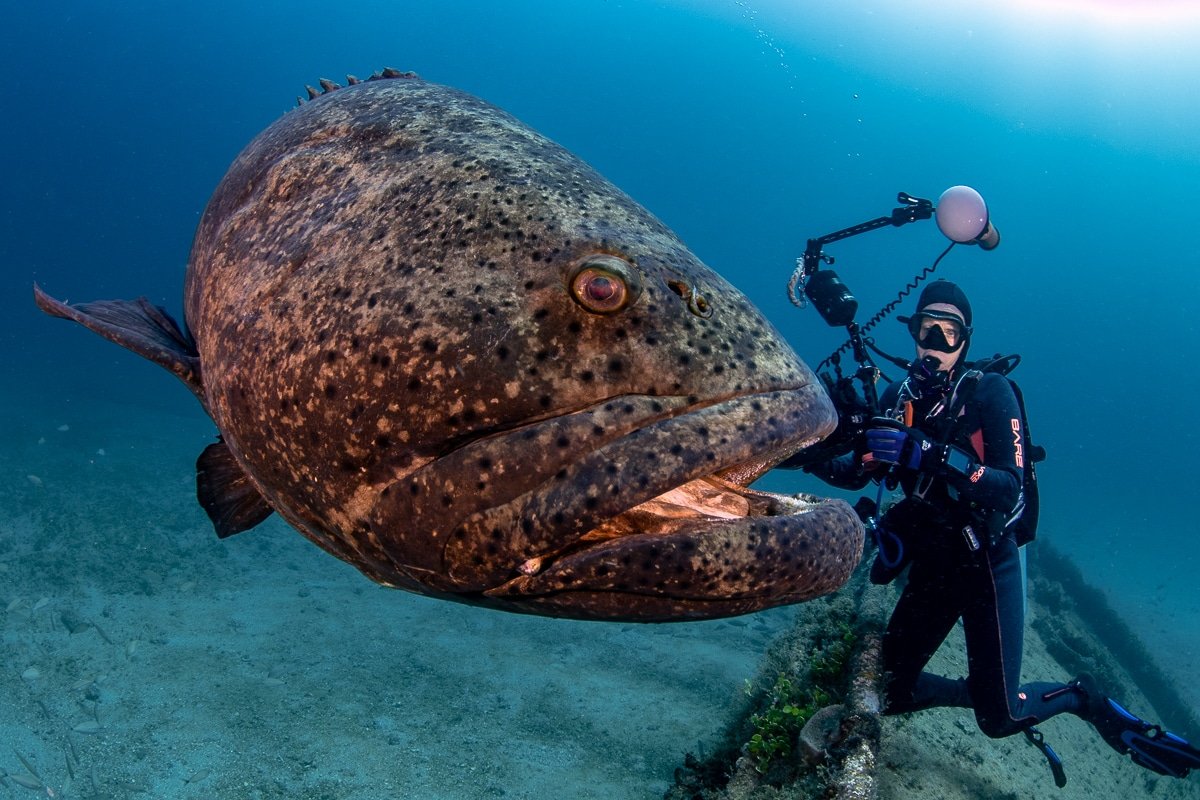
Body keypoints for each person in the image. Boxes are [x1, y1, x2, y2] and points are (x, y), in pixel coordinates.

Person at [791, 279, 1200, 783]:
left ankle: (1082, 696)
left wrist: (931, 454)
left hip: (986, 557)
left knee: (1000, 718)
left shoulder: (989, 393)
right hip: (937, 561)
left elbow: (1008, 488)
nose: (935, 345)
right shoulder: (901, 398)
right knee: (892, 692)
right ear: (913, 333)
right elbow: (860, 471)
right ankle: (979, 688)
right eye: (926, 330)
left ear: (966, 340)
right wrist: (808, 453)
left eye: (948, 333)